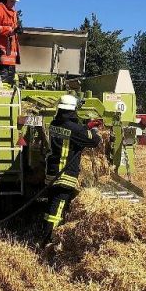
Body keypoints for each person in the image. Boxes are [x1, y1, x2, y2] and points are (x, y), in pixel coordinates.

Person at [41, 94, 102, 243]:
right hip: (65, 175)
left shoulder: (55, 124)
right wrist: (93, 130)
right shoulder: (74, 129)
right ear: (73, 109)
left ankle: (48, 234)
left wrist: (85, 127)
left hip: (52, 173)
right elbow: (94, 141)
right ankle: (49, 241)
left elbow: (73, 132)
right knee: (57, 209)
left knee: (51, 206)